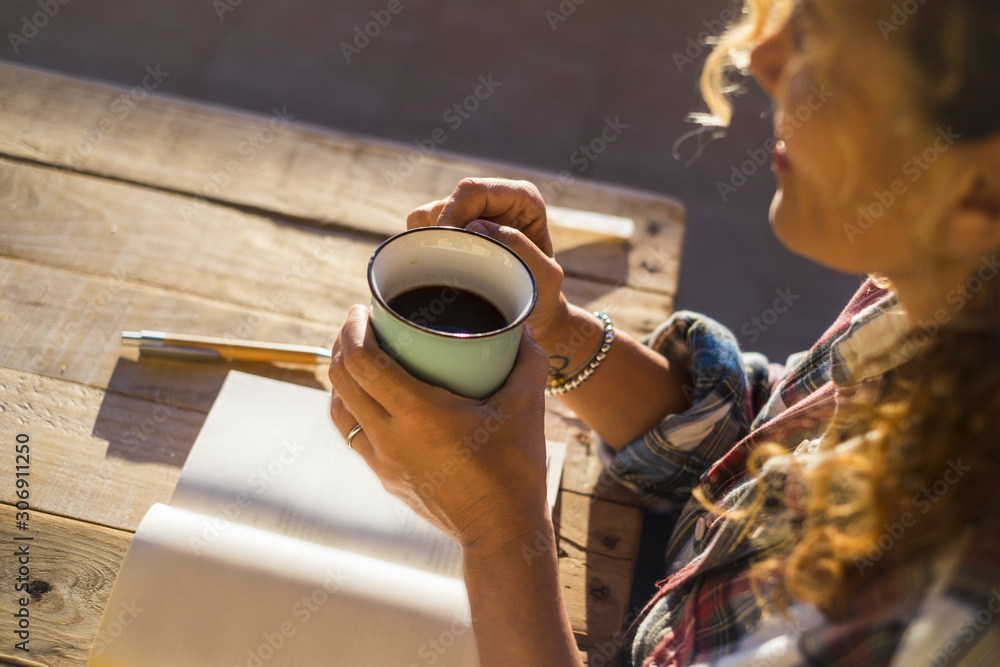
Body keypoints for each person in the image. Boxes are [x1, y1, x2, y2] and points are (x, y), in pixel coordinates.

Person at [329, 0, 1000, 664]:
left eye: (825, 50)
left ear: (980, 193)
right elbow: (757, 444)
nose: (759, 58)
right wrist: (556, 331)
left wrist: (500, 531)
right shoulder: (936, 294)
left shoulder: (945, 611)